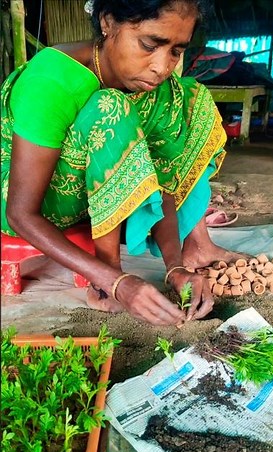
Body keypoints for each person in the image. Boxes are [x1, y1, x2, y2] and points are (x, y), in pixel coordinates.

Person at [1, 0, 243, 327]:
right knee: (110, 108)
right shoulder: (52, 80)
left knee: (189, 99)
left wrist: (175, 268)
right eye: (149, 44)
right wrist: (117, 282)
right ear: (107, 22)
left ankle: (192, 247)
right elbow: (20, 212)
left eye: (176, 51)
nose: (162, 66)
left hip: (82, 197)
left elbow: (163, 184)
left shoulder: (156, 87)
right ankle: (104, 278)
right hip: (24, 201)